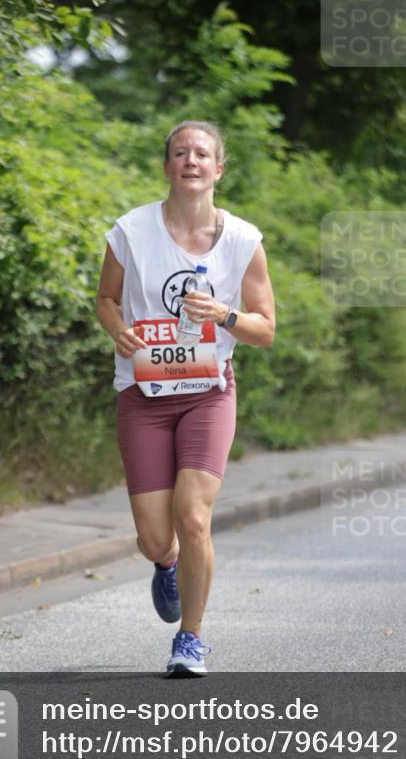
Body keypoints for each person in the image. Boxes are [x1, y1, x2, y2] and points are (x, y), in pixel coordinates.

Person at [95, 120, 276, 676]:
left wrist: (224, 314)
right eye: (180, 153)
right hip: (144, 394)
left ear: (218, 168)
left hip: (208, 395)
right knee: (155, 538)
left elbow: (265, 328)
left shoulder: (243, 241)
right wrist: (118, 330)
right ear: (167, 166)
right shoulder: (131, 230)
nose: (190, 161)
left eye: (201, 154)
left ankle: (191, 639)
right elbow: (106, 299)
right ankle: (167, 563)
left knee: (193, 515)